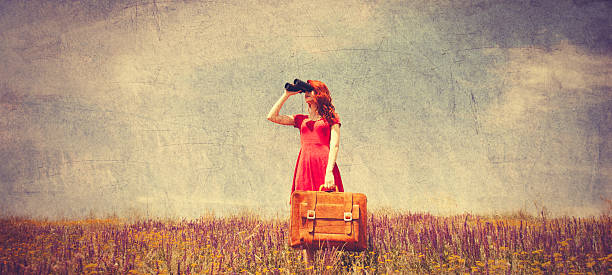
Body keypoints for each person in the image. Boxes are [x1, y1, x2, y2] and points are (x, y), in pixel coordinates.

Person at [266, 79, 343, 264]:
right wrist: (287, 95)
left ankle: (328, 266)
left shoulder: (331, 118)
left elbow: (335, 144)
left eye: (311, 90)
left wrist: (329, 172)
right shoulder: (301, 119)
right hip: (304, 166)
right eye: (306, 91)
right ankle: (310, 268)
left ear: (320, 94)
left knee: (327, 214)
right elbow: (272, 116)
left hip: (325, 165)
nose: (306, 94)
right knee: (305, 216)